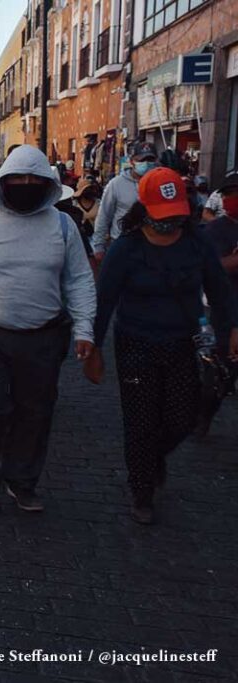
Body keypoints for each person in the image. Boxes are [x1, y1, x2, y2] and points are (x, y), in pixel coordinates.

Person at [0, 145, 96, 515]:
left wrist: (85, 328)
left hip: (45, 337)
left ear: (46, 184)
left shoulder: (63, 226)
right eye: (18, 178)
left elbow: (79, 280)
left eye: (33, 179)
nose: (25, 184)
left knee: (35, 413)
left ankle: (22, 480)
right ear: (3, 182)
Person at [84, 168, 238, 524]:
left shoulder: (197, 243)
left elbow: (218, 289)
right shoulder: (126, 249)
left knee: (183, 417)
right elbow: (104, 301)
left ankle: (153, 458)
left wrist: (231, 328)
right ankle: (142, 489)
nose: (170, 222)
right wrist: (93, 348)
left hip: (183, 342)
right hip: (135, 344)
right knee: (141, 421)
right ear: (145, 208)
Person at [195, 171, 238, 435]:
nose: (233, 199)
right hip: (222, 311)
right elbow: (208, 269)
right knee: (221, 371)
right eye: (229, 195)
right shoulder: (213, 231)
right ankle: (204, 414)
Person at [93, 142, 158, 262]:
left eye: (150, 160)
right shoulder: (116, 184)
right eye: (142, 160)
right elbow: (104, 215)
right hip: (121, 244)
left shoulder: (160, 183)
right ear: (132, 161)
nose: (146, 163)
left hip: (152, 245)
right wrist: (98, 245)